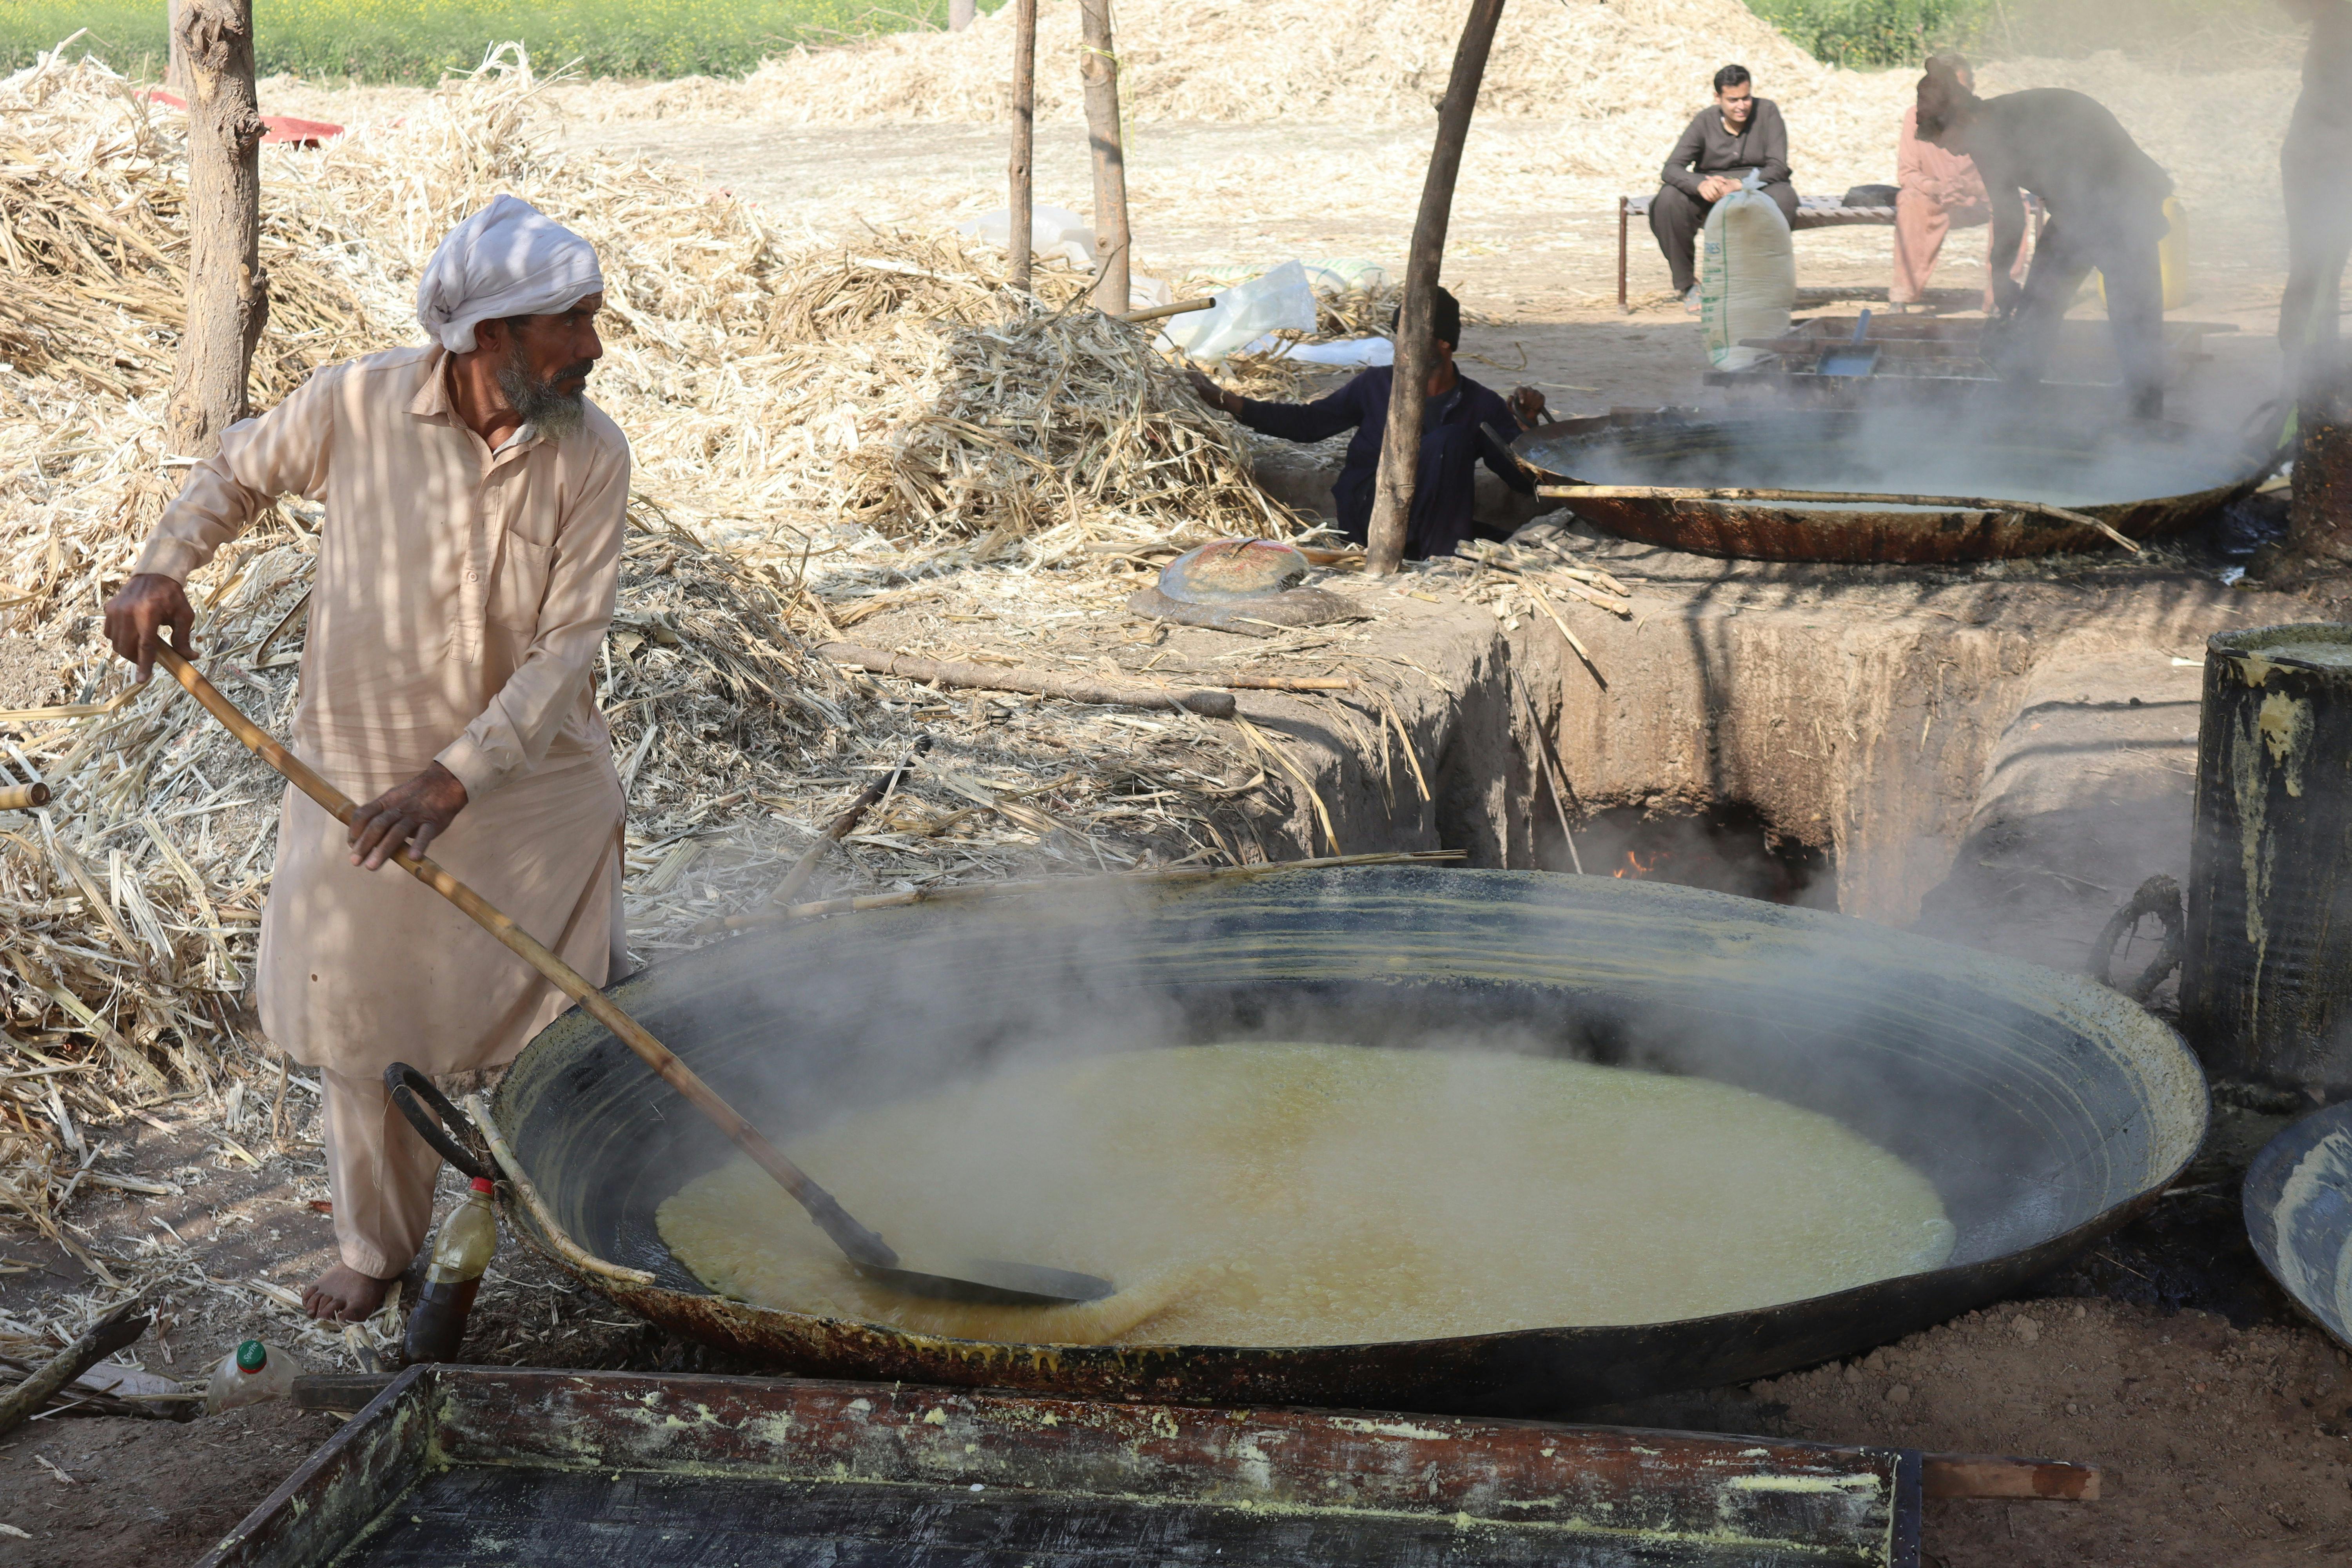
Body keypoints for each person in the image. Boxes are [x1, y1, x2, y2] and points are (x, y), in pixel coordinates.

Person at [102, 196, 632, 1322]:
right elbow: (236, 471)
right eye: (573, 323)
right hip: (361, 777)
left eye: (593, 317)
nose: (595, 345)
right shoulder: (357, 403)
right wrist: (162, 567)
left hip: (529, 788)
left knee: (571, 1013)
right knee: (364, 1022)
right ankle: (379, 1249)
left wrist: (458, 776)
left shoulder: (592, 454)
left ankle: (585, 1216)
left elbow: (566, 650)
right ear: (490, 336)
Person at [1186, 287, 1546, 561]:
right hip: (1370, 512)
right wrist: (1229, 402)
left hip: (1435, 522)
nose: (1399, 346)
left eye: (1411, 336)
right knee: (1448, 445)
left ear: (1444, 343)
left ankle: (1439, 557)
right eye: (1398, 335)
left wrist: (1527, 428)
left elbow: (1519, 479)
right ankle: (1441, 560)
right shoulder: (1376, 384)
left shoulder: (1480, 403)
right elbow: (1309, 425)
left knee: (1457, 459)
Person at [1916, 66, 2174, 419]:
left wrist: (2010, 272)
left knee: (2135, 317)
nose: (1952, 153)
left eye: (1947, 141)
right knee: (2037, 308)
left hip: (2124, 201)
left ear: (1963, 119)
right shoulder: (1982, 135)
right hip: (2076, 209)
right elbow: (2008, 214)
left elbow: (2089, 189)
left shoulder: (2010, 123)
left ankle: (2146, 420)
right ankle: (2016, 403)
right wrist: (2002, 276)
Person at [1652, 64, 1800, 311]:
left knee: (1784, 198)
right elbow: (1672, 168)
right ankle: (1688, 285)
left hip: (1757, 185)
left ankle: (1760, 285)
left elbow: (1779, 167)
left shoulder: (1768, 112)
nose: (1741, 106)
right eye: (1733, 100)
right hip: (1712, 187)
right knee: (1668, 200)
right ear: (1718, 98)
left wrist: (1742, 185)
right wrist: (1700, 184)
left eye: (1746, 98)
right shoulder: (1704, 121)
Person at [1891, 51, 2024, 312]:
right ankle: (1902, 295)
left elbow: (2007, 176)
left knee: (2013, 202)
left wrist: (1974, 188)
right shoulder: (1914, 117)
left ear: (1972, 89)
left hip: (1979, 201)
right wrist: (1937, 188)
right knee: (1909, 198)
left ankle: (2001, 296)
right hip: (1937, 201)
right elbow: (1908, 174)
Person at [2280, 0, 2352, 400]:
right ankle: (2305, 386)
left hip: (2324, 166)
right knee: (2316, 275)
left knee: (2318, 275)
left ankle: (2315, 376)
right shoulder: (2337, 27)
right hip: (2321, 170)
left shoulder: (2342, 26)